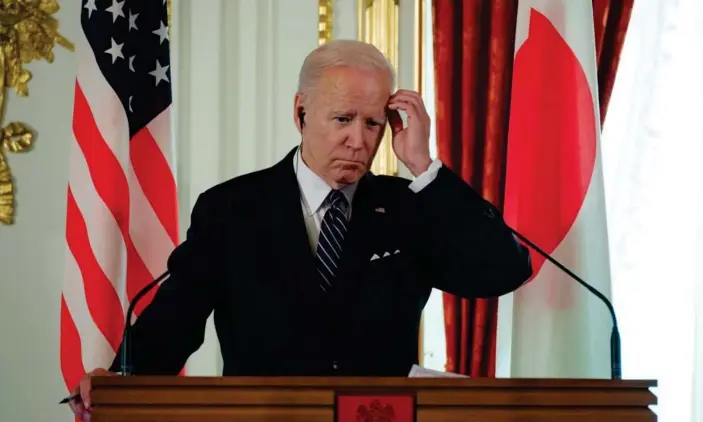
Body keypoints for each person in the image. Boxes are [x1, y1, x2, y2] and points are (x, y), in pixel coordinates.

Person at [69, 39, 532, 420]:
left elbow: (503, 270)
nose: (359, 140)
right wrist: (121, 384)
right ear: (301, 113)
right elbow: (174, 322)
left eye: (374, 123)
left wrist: (425, 167)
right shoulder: (232, 210)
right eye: (343, 119)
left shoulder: (408, 207)